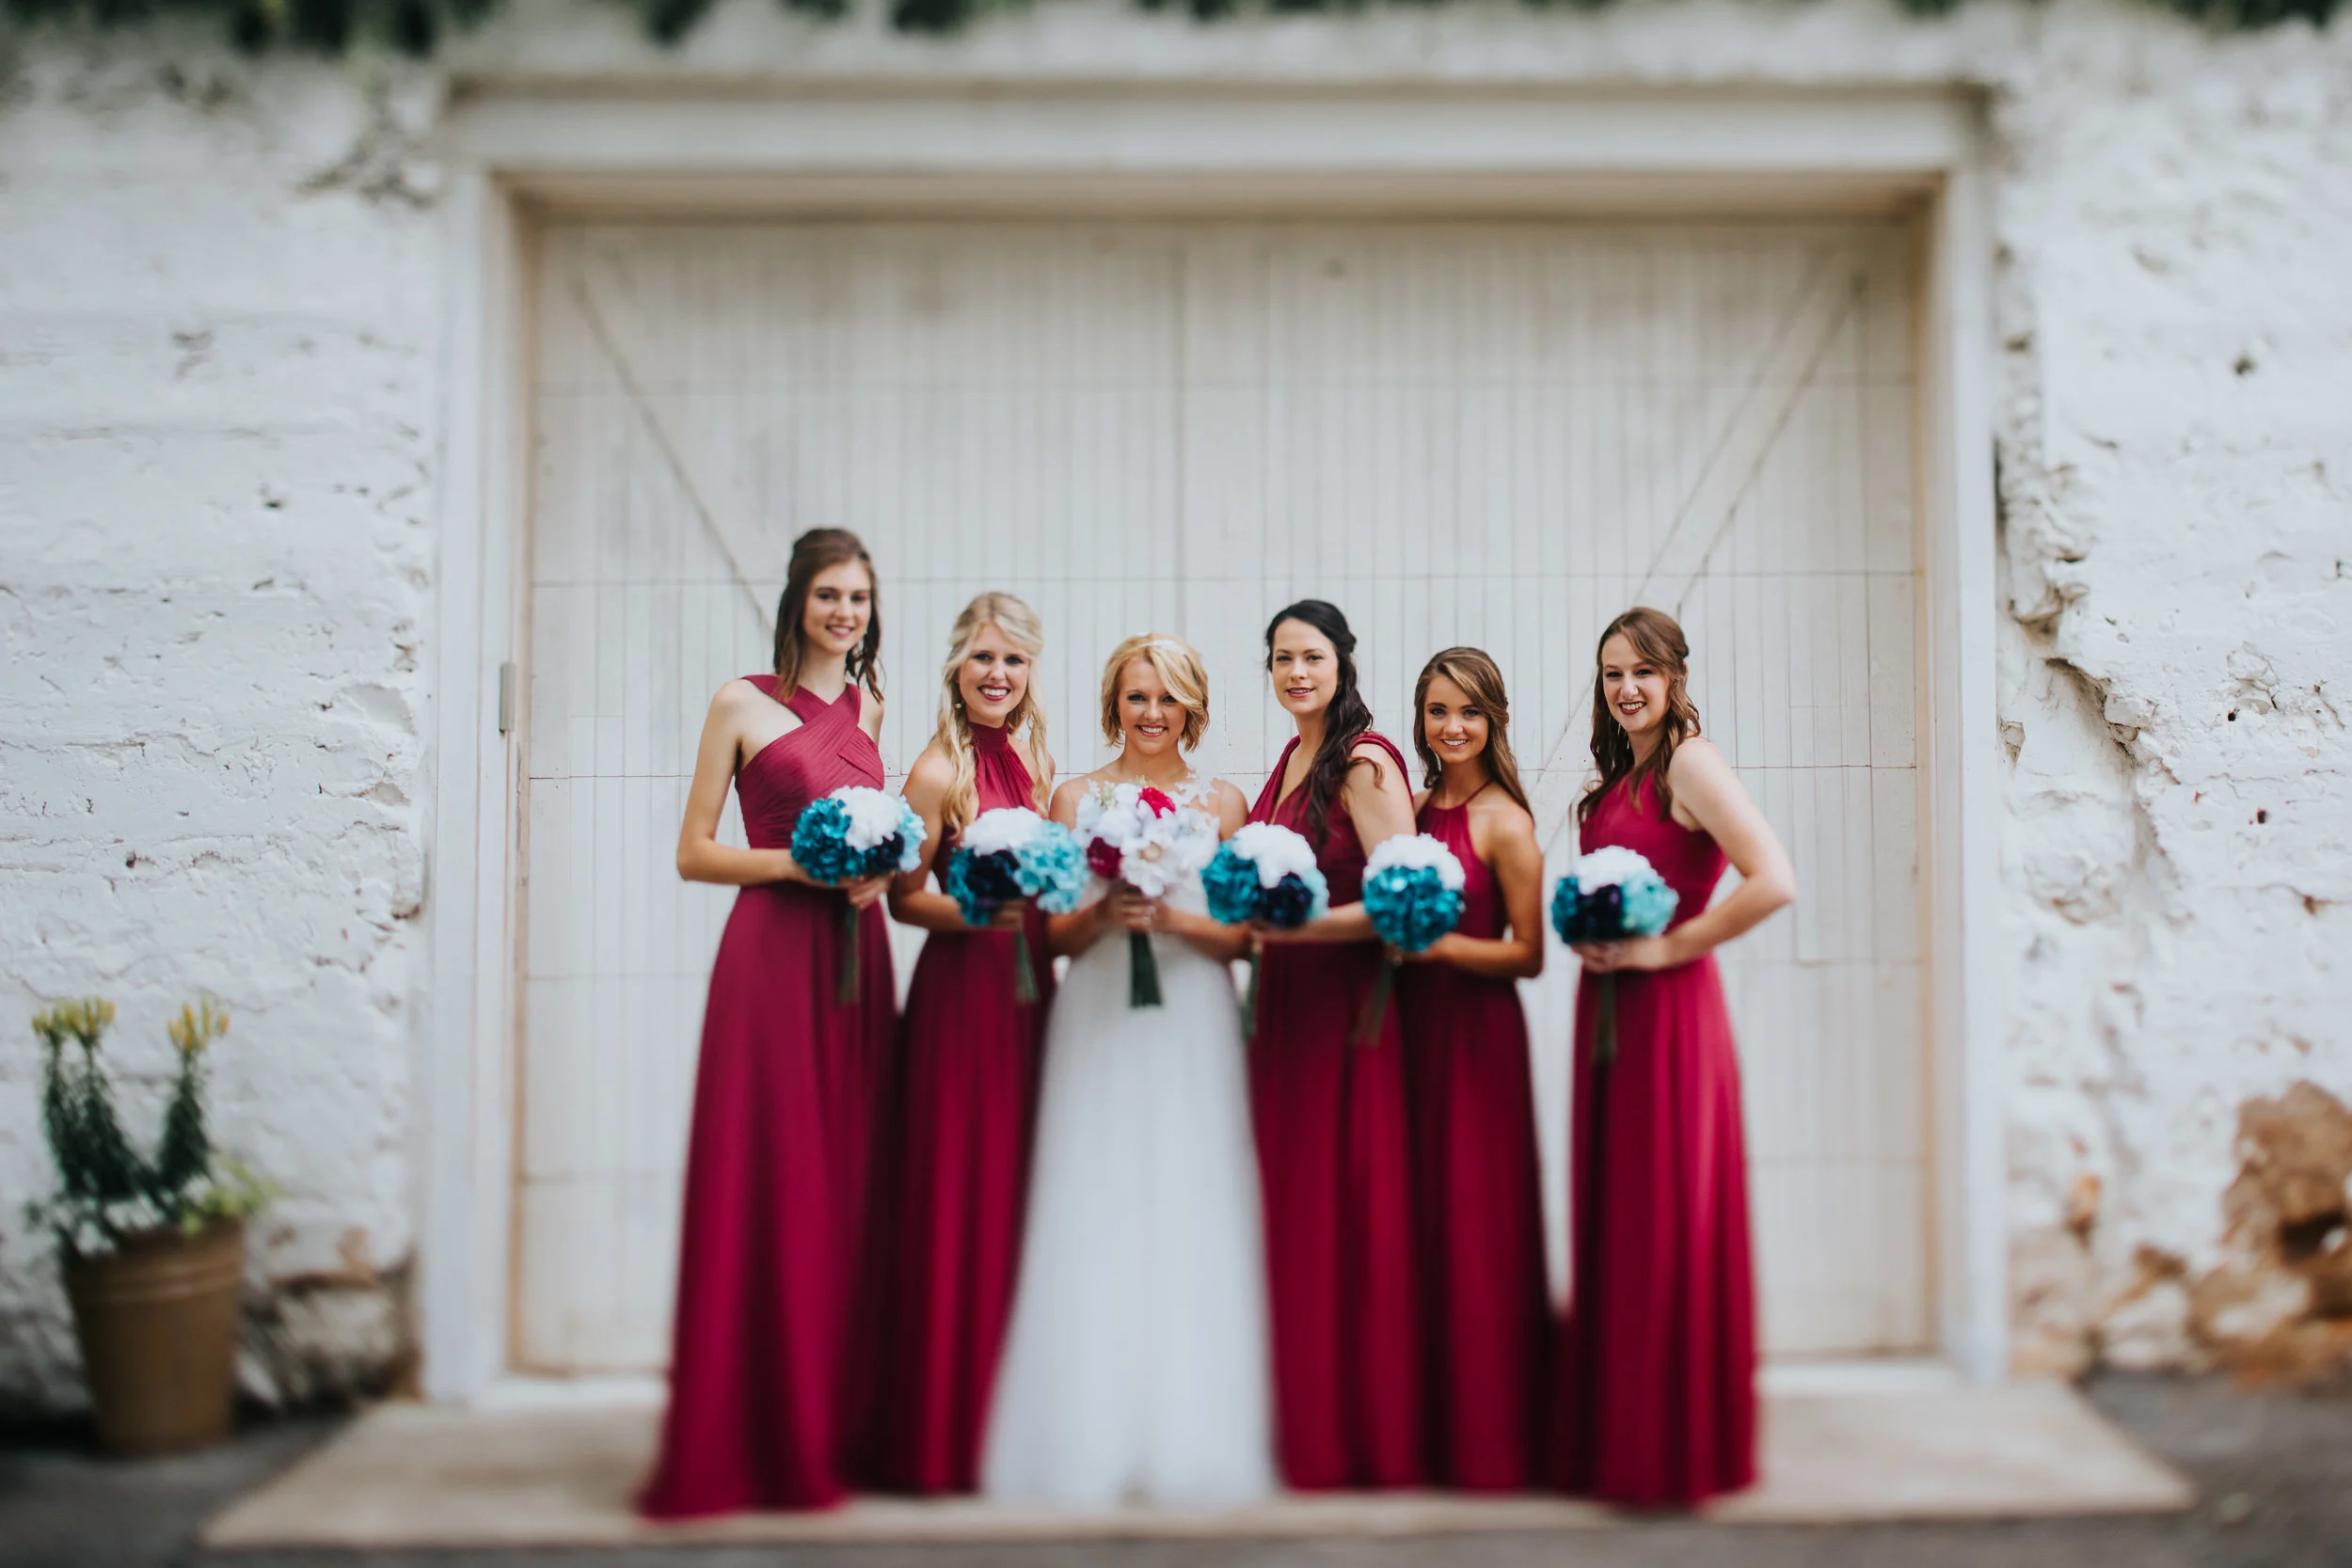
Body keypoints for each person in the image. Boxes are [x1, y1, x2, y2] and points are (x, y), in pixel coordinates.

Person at [981, 634, 1276, 1512]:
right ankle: (1084, 1432)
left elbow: (1246, 937)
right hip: (1100, 1011)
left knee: (1190, 1200)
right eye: (1138, 696)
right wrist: (1107, 912)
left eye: (1169, 698)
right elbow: (1053, 933)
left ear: (1193, 707)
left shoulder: (1224, 802)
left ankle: (1194, 1436)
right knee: (1095, 1195)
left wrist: (1176, 922)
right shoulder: (1074, 797)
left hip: (1193, 1015)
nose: (1153, 713)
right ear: (1115, 702)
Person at [640, 527, 894, 1518]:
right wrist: (800, 863)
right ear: (797, 601)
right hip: (772, 957)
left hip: (856, 956)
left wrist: (873, 876)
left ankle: (828, 1419)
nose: (844, 612)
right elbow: (694, 852)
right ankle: (748, 1433)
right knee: (772, 1176)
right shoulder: (739, 703)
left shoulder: (872, 707)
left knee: (844, 1177)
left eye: (858, 598)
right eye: (829, 594)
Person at [1553, 606, 1796, 1510]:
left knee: (1662, 1216)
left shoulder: (1692, 763)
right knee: (1619, 1218)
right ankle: (1621, 1437)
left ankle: (1673, 1448)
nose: (1626, 688)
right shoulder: (1621, 777)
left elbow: (1774, 878)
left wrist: (1668, 948)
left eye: (1643, 672)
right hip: (1606, 1012)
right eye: (1613, 672)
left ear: (1674, 678)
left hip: (1669, 1014)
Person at [869, 593, 1056, 1494]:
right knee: (959, 1191)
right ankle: (947, 1428)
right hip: (963, 996)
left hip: (1032, 993)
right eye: (984, 657)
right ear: (956, 666)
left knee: (1022, 1190)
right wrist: (981, 911)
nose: (998, 674)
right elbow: (904, 900)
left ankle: (1020, 1422)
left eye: (1014, 660)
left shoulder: (1037, 759)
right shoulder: (937, 768)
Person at [1245, 600, 1422, 1490]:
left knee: (1340, 1213)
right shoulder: (1290, 759)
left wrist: (1300, 930)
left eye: (1311, 656)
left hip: (1344, 1010)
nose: (1297, 672)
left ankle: (1357, 1431)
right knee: (1292, 1212)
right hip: (1284, 1007)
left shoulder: (1365, 760)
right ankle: (1298, 1417)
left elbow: (1409, 902)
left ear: (1343, 662)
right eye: (1282, 659)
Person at [1396, 646, 1550, 1491]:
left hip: (1478, 1039)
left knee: (1476, 1225)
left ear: (1494, 721)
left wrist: (1440, 947)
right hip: (1408, 1033)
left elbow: (1529, 953)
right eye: (1438, 711)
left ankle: (1491, 1434)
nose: (1452, 727)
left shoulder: (1505, 821)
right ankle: (1422, 1426)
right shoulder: (1410, 810)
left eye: (1469, 712)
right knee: (1416, 1222)